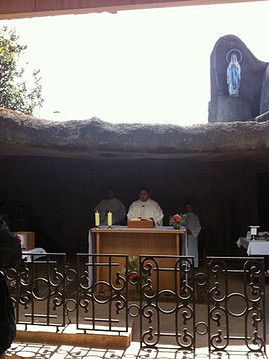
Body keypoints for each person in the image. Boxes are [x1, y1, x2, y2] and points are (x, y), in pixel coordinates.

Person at [182, 202, 201, 268]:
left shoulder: (195, 217)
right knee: (185, 250)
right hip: (185, 236)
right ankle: (185, 264)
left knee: (193, 250)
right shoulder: (183, 217)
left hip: (192, 237)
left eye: (190, 207)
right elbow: (180, 225)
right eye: (187, 207)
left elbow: (198, 227)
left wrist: (192, 231)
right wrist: (184, 231)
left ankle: (194, 265)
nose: (188, 209)